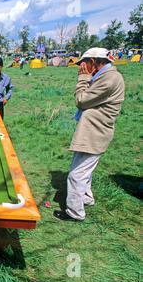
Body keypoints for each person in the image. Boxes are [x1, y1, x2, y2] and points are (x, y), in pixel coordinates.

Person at [53, 48, 125, 221]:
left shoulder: (109, 79)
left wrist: (83, 79)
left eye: (84, 63)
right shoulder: (106, 76)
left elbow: (82, 100)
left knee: (76, 175)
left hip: (95, 132)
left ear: (94, 61)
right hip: (95, 130)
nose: (81, 67)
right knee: (85, 170)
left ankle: (75, 213)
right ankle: (86, 198)